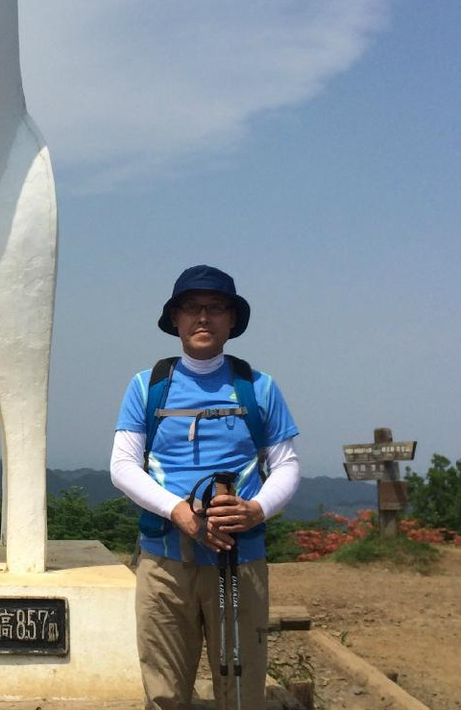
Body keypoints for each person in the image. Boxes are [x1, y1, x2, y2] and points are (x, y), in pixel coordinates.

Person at [111, 265, 301, 710]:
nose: (203, 317)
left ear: (232, 320)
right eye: (191, 307)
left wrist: (255, 511)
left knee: (241, 691)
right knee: (164, 692)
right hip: (164, 560)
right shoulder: (148, 386)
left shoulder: (259, 388)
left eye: (216, 307)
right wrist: (179, 511)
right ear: (174, 318)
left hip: (240, 558)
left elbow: (287, 467)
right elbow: (122, 466)